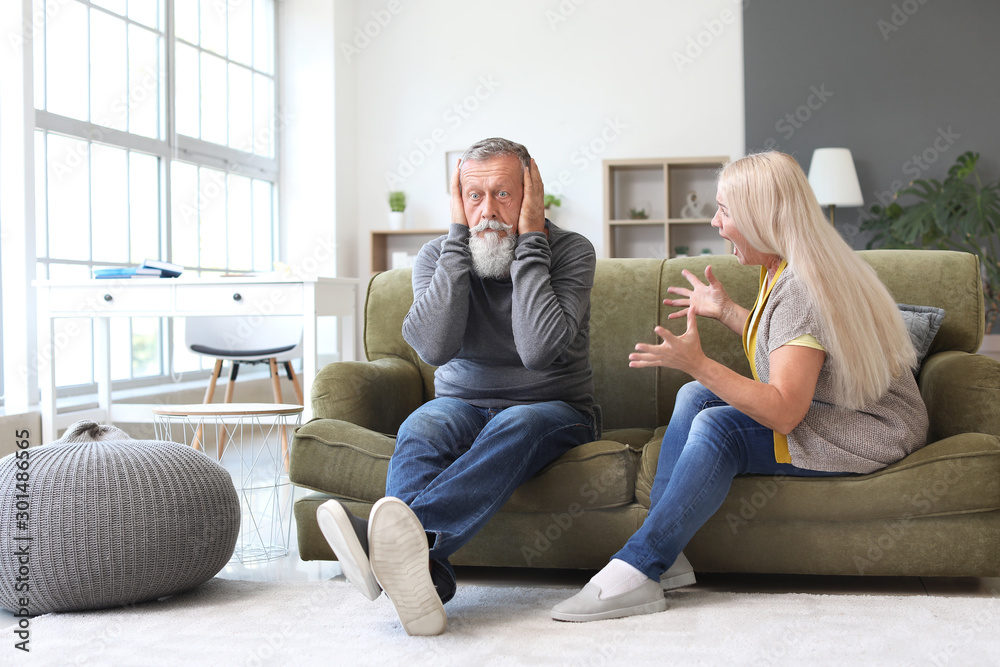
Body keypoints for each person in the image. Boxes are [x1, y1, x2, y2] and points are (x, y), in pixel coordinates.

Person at [552, 151, 929, 622]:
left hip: (870, 428)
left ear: (761, 218)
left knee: (720, 428)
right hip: (845, 407)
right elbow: (795, 346)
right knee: (695, 398)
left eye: (725, 211)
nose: (715, 222)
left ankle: (639, 566)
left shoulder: (801, 286)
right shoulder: (787, 266)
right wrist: (728, 312)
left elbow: (785, 412)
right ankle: (662, 550)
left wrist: (699, 363)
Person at [316, 137, 601, 635]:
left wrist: (531, 239)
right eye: (474, 196)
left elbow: (538, 350)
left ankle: (381, 545)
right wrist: (456, 240)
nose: (487, 211)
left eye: (503, 195)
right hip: (461, 404)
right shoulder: (440, 255)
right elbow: (432, 348)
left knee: (517, 421)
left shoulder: (570, 251)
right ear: (458, 200)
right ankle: (424, 580)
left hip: (554, 408)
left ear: (531, 192)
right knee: (424, 423)